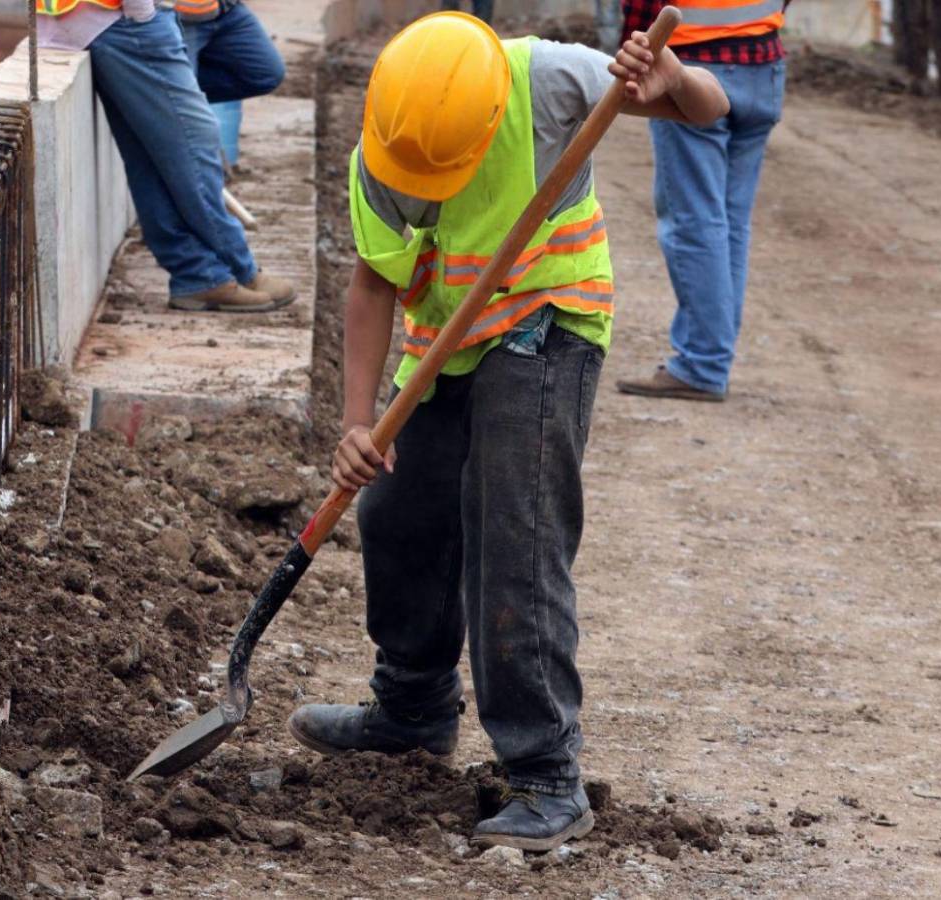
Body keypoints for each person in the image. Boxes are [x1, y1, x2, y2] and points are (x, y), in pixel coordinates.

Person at [286, 13, 727, 850]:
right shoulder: (385, 147)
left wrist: (672, 78)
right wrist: (355, 424)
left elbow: (707, 110)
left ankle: (546, 775)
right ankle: (413, 709)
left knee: (513, 537)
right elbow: (375, 285)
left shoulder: (549, 79)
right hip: (446, 342)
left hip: (548, 323)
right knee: (398, 511)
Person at [35, 0, 295, 313]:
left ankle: (198, 275)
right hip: (124, 19)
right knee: (194, 145)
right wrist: (144, 13)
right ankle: (237, 267)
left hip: (93, 19)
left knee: (148, 159)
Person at [615, 0, 788, 401]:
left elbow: (644, 6)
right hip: (765, 63)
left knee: (694, 222)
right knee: (730, 222)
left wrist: (635, 57)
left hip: (692, 70)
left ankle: (703, 364)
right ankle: (712, 357)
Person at [175, 1, 286, 176]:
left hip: (225, 8)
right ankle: (177, 98)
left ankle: (177, 94)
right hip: (181, 17)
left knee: (266, 74)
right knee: (184, 118)